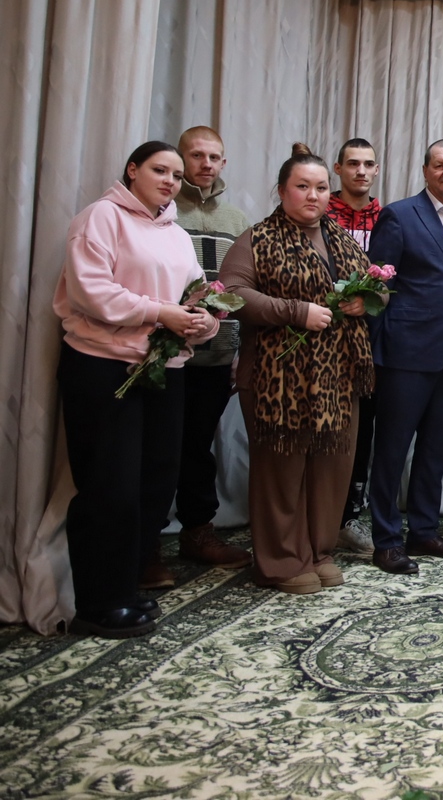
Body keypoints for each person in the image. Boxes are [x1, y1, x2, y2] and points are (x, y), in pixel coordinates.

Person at [55, 142, 219, 638]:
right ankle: (96, 603)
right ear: (132, 170)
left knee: (155, 481)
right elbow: (91, 292)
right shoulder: (100, 218)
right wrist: (160, 312)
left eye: (176, 175)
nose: (170, 181)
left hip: (165, 366)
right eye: (159, 170)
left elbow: (197, 296)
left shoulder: (177, 234)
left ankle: (124, 589)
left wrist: (203, 322)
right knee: (111, 485)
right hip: (105, 366)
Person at [221, 144, 375, 594]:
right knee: (282, 471)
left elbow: (374, 286)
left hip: (337, 375)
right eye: (302, 186)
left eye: (321, 188)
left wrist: (364, 300)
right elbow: (232, 293)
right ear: (281, 190)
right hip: (277, 378)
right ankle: (281, 561)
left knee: (331, 468)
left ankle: (317, 551)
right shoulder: (257, 239)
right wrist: (294, 311)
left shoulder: (341, 238)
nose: (313, 195)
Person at [366, 139, 443, 574]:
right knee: (392, 450)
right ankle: (386, 540)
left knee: (435, 451)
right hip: (405, 354)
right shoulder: (399, 215)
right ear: (425, 170)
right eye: (439, 165)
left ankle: (424, 530)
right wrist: (373, 352)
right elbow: (377, 287)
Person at [168, 126, 253, 581]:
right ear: (181, 159)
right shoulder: (164, 210)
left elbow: (244, 292)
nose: (206, 164)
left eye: (214, 157)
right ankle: (145, 542)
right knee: (161, 447)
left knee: (198, 446)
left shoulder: (237, 220)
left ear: (223, 163)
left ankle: (197, 531)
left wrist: (241, 351)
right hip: (166, 352)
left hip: (218, 356)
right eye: (196, 155)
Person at [327, 137, 382, 555]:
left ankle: (349, 516)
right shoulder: (320, 212)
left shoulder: (387, 218)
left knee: (363, 430)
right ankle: (315, 515)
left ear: (376, 170)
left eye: (368, 164)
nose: (360, 171)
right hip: (323, 336)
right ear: (338, 169)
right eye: (352, 163)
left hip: (371, 342)